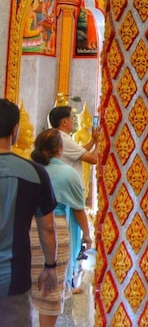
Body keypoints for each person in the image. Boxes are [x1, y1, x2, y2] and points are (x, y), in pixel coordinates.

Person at [0, 98, 58, 326]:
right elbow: (48, 228)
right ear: (15, 130)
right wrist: (50, 266)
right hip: (14, 279)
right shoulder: (34, 173)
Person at [29, 129, 93, 324]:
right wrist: (87, 235)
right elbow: (78, 209)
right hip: (55, 229)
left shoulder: (30, 170)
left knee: (31, 281)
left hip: (28, 228)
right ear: (59, 149)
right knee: (51, 288)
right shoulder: (68, 173)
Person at [48, 105, 98, 293]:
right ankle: (67, 285)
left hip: (58, 194)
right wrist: (101, 143)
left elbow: (78, 152)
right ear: (64, 122)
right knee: (70, 242)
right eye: (72, 118)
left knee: (66, 242)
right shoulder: (63, 139)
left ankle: (68, 283)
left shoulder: (59, 138)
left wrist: (93, 140)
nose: (75, 121)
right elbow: (92, 159)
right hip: (67, 194)